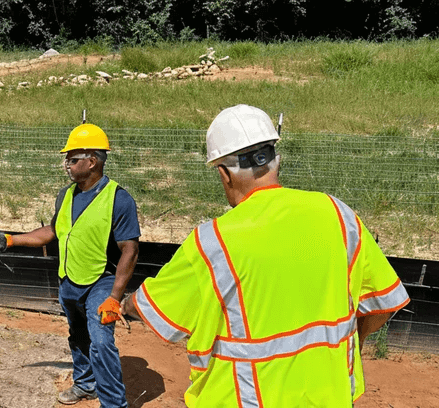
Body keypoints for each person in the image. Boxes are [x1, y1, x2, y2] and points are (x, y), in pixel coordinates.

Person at [121, 105, 410, 407]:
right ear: (276, 160)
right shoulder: (338, 215)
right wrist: (347, 348)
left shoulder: (213, 242)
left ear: (224, 174)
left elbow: (156, 310)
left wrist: (125, 303)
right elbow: (382, 305)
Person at [0, 123, 140, 407]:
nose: (67, 164)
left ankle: (115, 404)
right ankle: (86, 384)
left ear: (92, 161)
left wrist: (115, 297)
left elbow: (130, 250)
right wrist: (10, 240)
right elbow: (52, 230)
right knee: (78, 336)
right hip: (69, 279)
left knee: (101, 342)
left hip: (101, 281)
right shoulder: (65, 194)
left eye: (72, 159)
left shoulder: (119, 199)